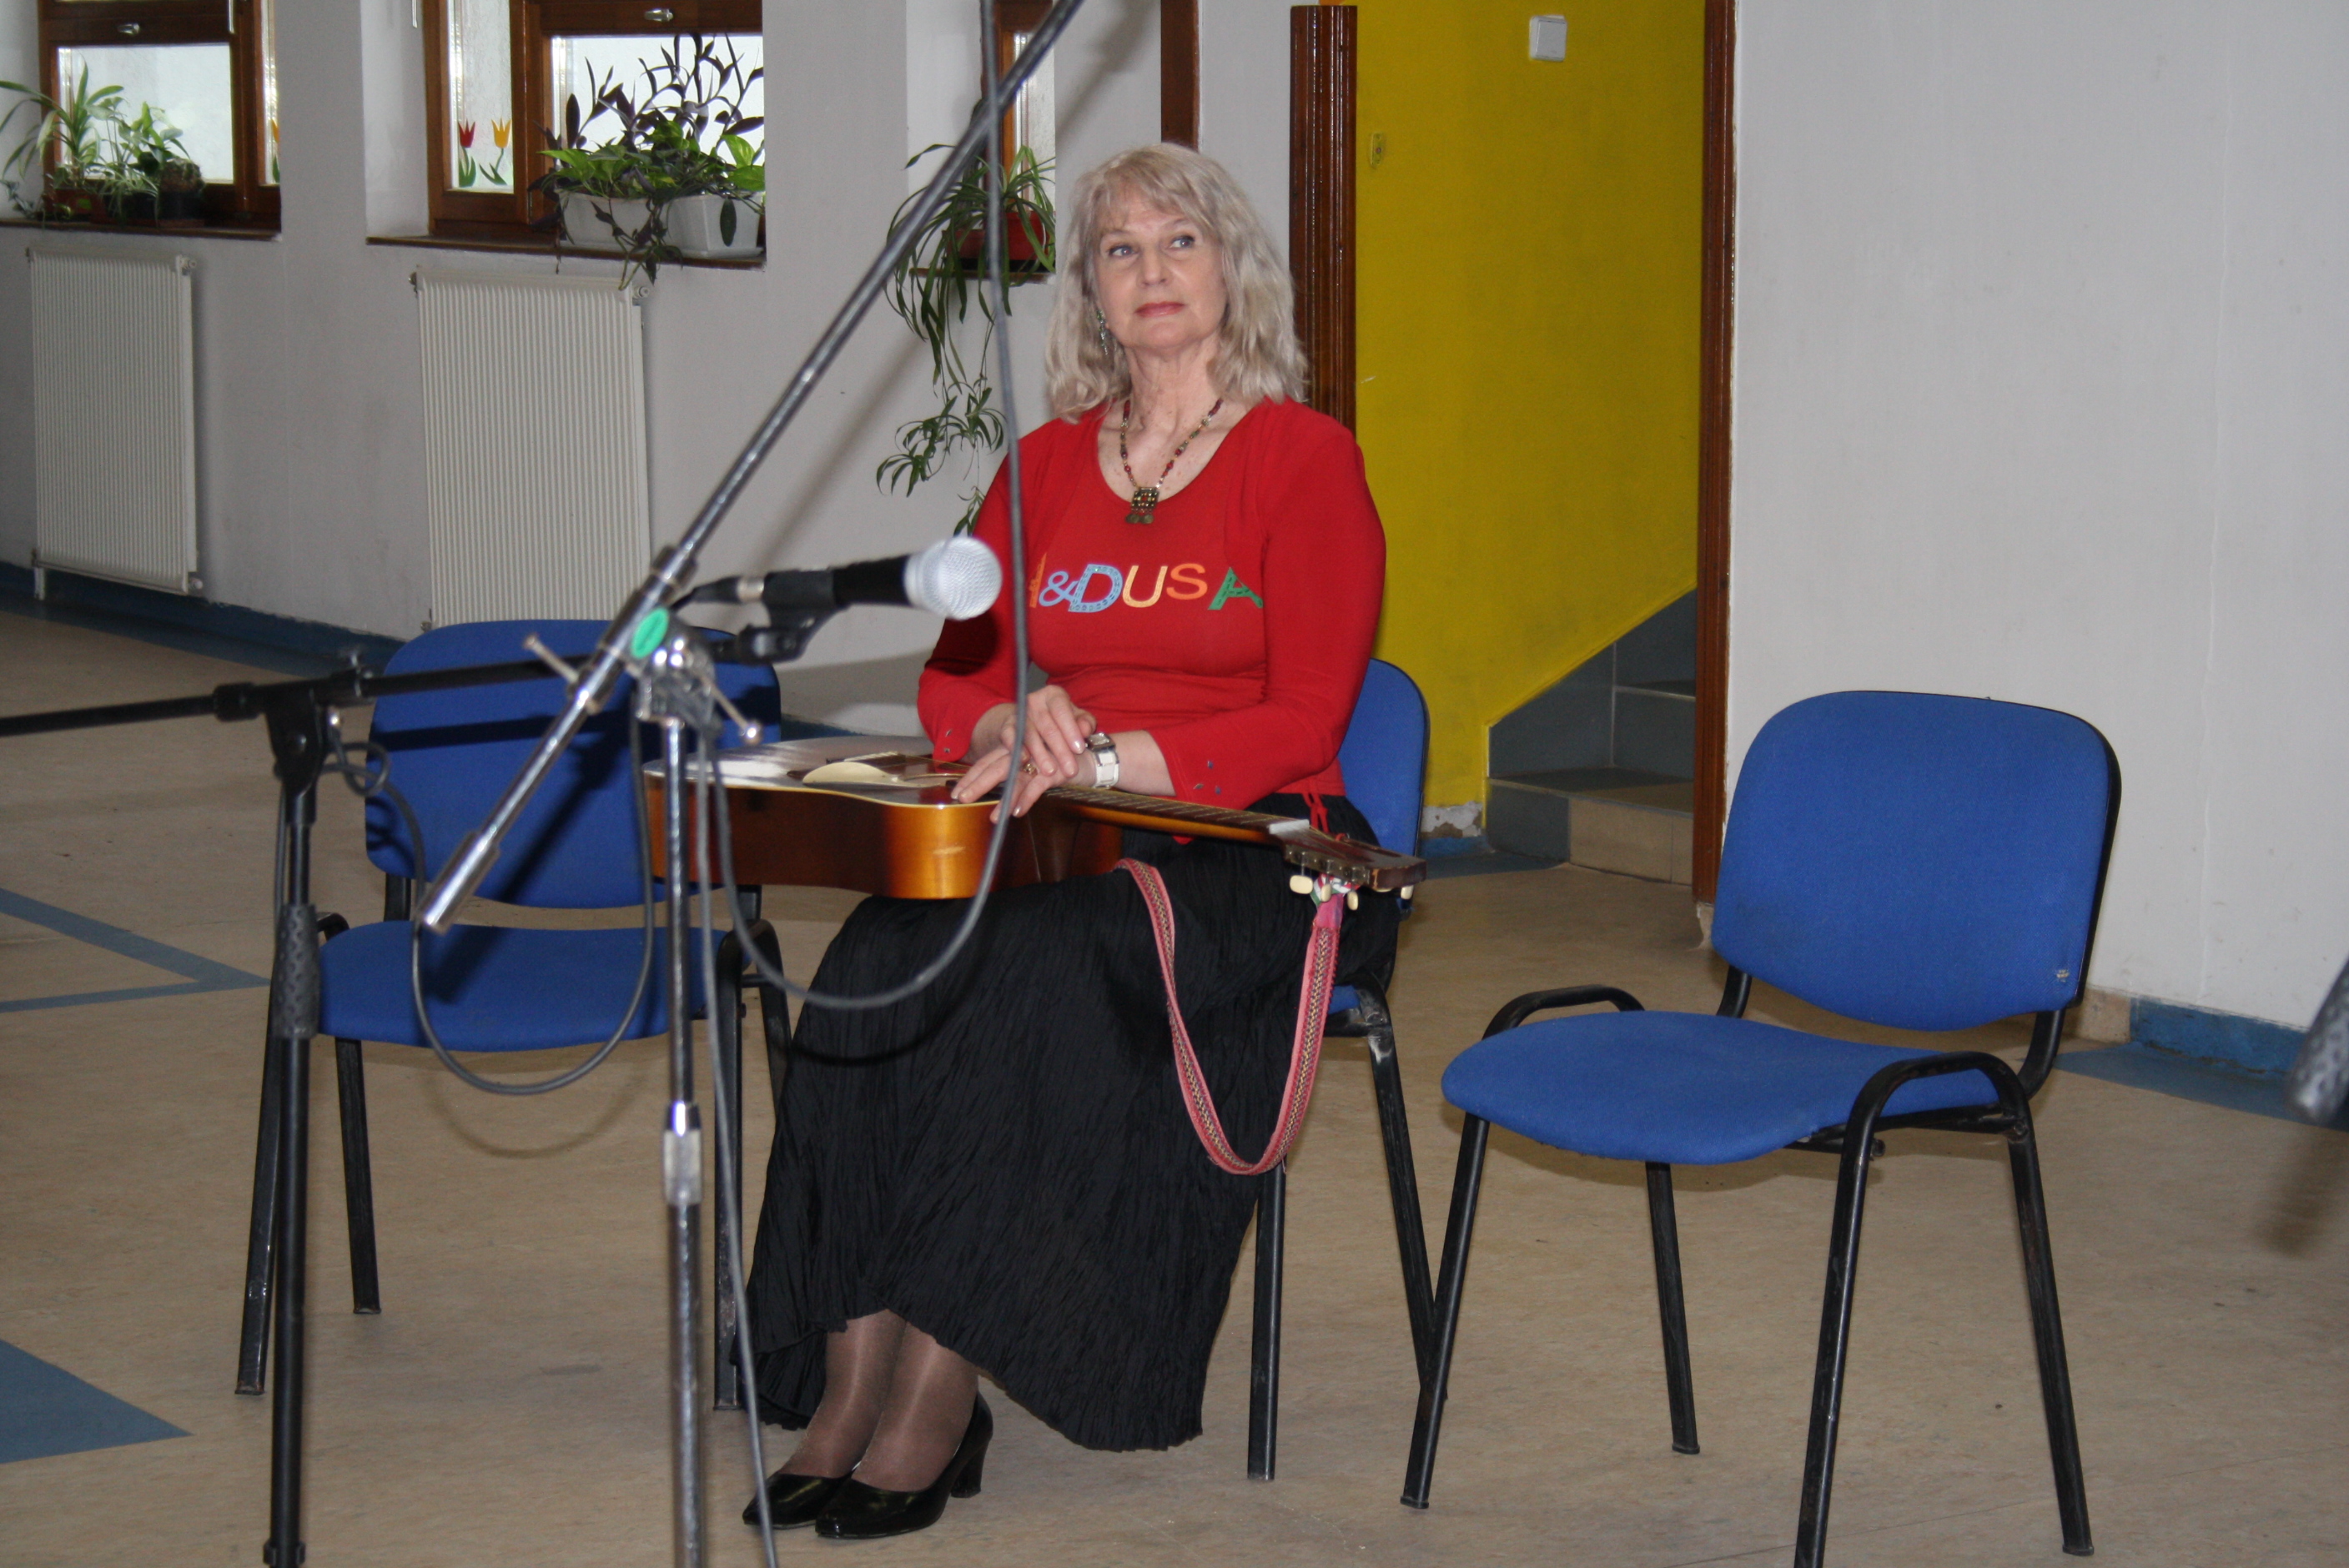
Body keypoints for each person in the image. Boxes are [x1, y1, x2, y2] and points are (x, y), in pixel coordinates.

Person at [742, 142, 1396, 1540]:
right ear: (1091, 292)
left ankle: (937, 1395)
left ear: (1233, 269)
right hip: (1064, 831)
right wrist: (1010, 719)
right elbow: (955, 679)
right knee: (875, 959)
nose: (1152, 272)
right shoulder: (1040, 468)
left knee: (1022, 976)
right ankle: (847, 1382)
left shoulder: (1304, 458)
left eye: (1180, 242)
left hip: (1255, 846)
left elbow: (1306, 715)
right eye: (1120, 250)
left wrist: (1105, 754)